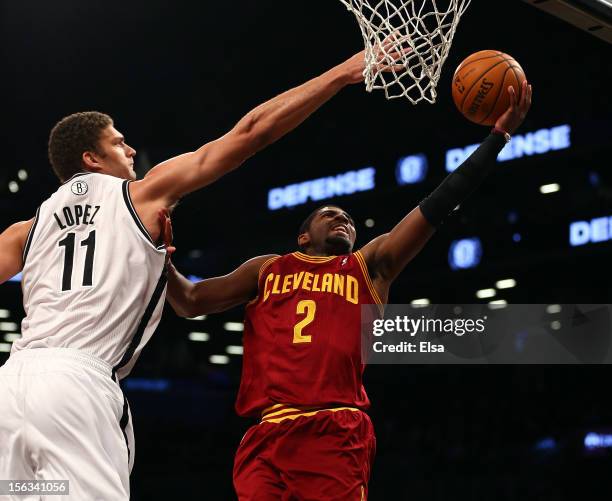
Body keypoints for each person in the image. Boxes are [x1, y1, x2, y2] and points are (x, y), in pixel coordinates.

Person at [0, 48, 379, 500]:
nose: (131, 148)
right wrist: (339, 74)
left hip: (11, 388)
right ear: (92, 159)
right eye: (118, 142)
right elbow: (251, 133)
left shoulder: (24, 231)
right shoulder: (141, 194)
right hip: (76, 388)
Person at [164, 81, 533, 500]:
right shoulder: (267, 268)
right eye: (329, 215)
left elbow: (437, 205)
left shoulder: (367, 266)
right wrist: (159, 255)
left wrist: (497, 139)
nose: (343, 220)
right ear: (303, 237)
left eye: (349, 220)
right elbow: (189, 302)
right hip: (265, 434)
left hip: (333, 428)